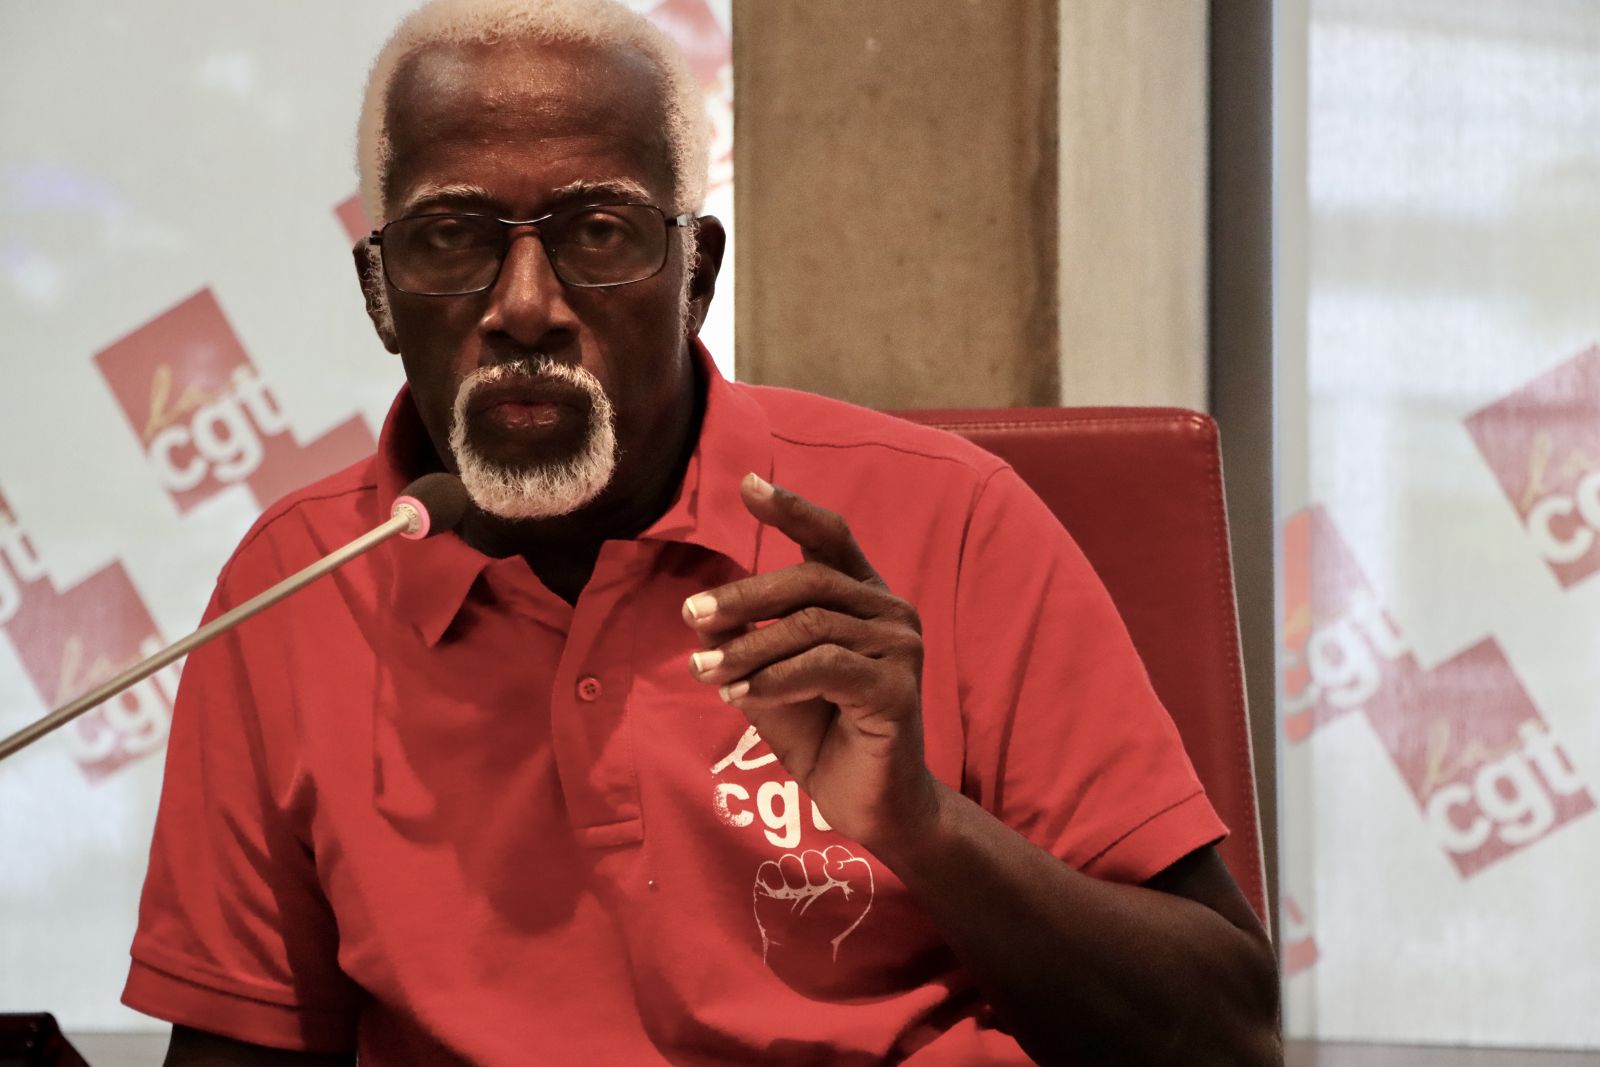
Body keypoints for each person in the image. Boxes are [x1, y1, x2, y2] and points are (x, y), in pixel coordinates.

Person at [124, 1, 1280, 1063]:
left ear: (695, 275)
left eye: (599, 230)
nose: (524, 305)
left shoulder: (948, 519)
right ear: (380, 292)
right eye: (450, 237)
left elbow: (1229, 1034)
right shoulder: (297, 583)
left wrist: (922, 825)